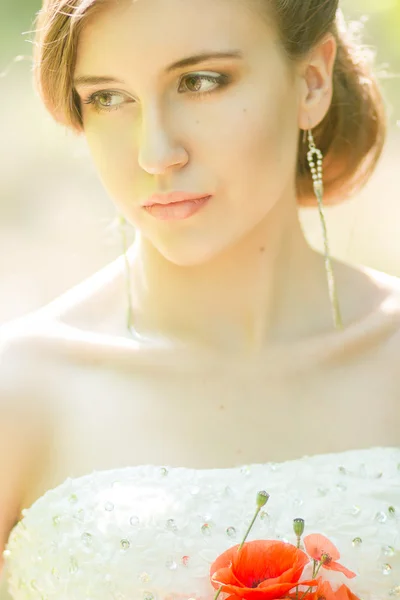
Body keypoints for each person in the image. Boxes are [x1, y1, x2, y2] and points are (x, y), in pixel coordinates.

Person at [0, 0, 399, 598]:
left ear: (312, 81)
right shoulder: (22, 389)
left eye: (200, 81)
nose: (154, 153)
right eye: (108, 97)